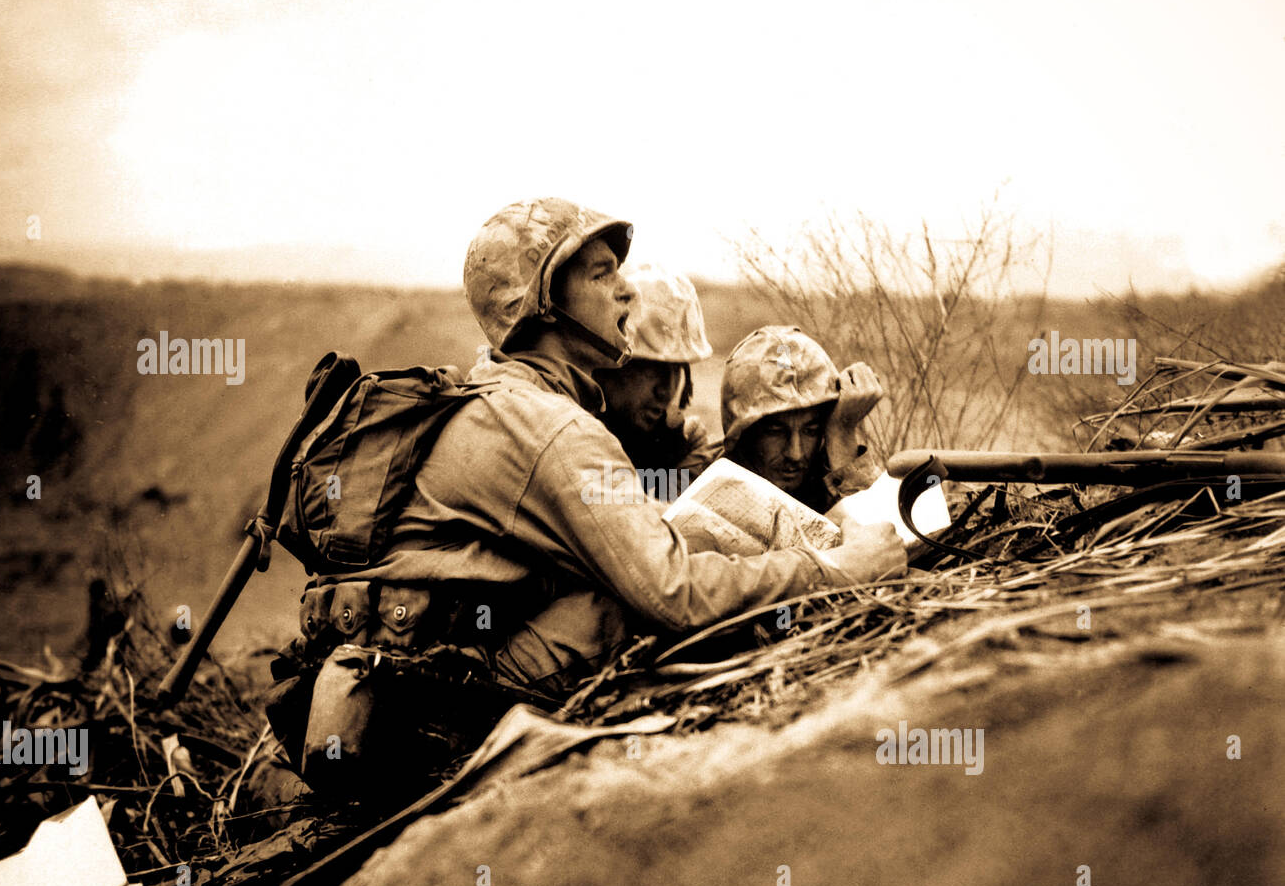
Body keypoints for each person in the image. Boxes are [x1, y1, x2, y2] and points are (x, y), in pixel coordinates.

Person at [286, 199, 906, 798]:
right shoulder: (553, 428)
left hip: (413, 688)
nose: (627, 292)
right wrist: (832, 570)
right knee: (623, 602)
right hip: (438, 718)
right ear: (544, 304)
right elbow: (673, 595)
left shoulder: (497, 398)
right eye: (601, 274)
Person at [721, 325, 885, 513]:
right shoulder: (694, 477)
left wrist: (842, 432)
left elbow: (880, 533)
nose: (795, 454)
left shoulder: (828, 483)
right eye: (775, 432)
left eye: (811, 431)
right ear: (743, 433)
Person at [592, 263, 717, 500]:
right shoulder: (572, 435)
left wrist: (683, 461)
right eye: (650, 369)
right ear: (607, 363)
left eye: (677, 369)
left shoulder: (678, 442)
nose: (666, 390)